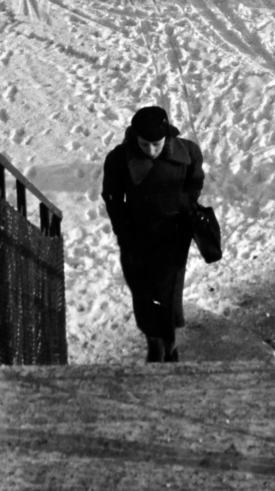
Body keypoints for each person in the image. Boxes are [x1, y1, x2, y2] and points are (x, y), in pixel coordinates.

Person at [102, 105, 204, 363]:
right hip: (137, 236)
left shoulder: (188, 152)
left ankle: (168, 348)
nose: (150, 150)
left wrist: (183, 202)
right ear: (134, 137)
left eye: (156, 145)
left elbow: (195, 182)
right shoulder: (118, 159)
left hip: (173, 236)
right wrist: (124, 233)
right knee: (143, 293)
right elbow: (113, 198)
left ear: (166, 137)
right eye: (144, 144)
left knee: (166, 294)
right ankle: (155, 342)